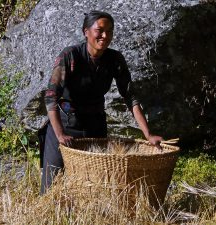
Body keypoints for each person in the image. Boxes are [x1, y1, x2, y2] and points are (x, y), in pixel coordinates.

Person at [41, 10, 163, 194]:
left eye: (110, 31)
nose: (105, 36)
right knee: (52, 187)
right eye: (100, 30)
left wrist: (148, 134)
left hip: (95, 127)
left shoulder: (115, 59)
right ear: (86, 32)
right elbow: (51, 96)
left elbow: (131, 97)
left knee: (93, 186)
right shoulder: (70, 56)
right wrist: (59, 135)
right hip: (65, 127)